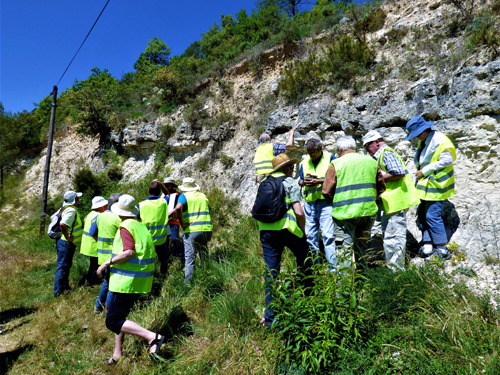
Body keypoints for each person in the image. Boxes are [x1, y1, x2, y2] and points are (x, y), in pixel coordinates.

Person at [97, 194, 164, 364]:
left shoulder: (125, 227)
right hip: (137, 280)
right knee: (120, 317)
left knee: (112, 321)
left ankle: (152, 337)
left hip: (125, 282)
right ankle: (117, 353)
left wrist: (106, 263)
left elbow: (128, 252)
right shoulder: (140, 226)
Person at [252, 153, 312, 328]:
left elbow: (254, 208)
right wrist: (304, 231)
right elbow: (299, 212)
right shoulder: (289, 182)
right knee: (305, 261)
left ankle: (269, 318)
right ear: (285, 168)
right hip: (288, 229)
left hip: (266, 232)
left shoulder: (264, 183)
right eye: (291, 167)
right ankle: (309, 300)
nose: (293, 170)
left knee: (271, 273)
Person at [322, 136, 386, 270]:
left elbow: (326, 192)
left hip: (344, 215)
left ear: (339, 150)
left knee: (344, 252)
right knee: (363, 250)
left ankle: (344, 289)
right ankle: (363, 282)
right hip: (367, 212)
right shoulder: (371, 161)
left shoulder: (336, 164)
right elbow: (381, 187)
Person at [362, 130, 420, 270]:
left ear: (377, 142)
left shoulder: (386, 152)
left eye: (367, 145)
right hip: (388, 201)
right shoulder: (380, 155)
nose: (366, 150)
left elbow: (398, 172)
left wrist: (376, 178)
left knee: (393, 237)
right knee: (384, 235)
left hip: (395, 201)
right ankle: (382, 266)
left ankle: (396, 272)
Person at [406, 116, 456, 260]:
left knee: (432, 215)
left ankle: (441, 247)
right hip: (426, 185)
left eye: (417, 135)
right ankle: (427, 244)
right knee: (422, 214)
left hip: (438, 184)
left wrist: (425, 171)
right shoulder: (427, 141)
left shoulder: (440, 140)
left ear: (423, 131)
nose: (416, 138)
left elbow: (447, 160)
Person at [298, 138, 337, 269]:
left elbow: (336, 178)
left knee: (328, 236)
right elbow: (299, 180)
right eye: (309, 153)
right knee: (310, 237)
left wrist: (318, 182)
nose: (311, 155)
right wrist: (304, 182)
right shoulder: (304, 162)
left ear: (320, 148)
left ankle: (333, 269)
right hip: (309, 204)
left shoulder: (330, 158)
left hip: (325, 203)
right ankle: (315, 268)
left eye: (313, 152)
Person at [90, 193, 122, 313]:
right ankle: (107, 310)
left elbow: (92, 232)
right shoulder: (117, 218)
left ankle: (99, 306)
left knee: (107, 281)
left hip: (102, 256)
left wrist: (100, 243)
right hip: (114, 257)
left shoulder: (100, 216)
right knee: (112, 284)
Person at [178, 177, 212, 282]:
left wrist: (183, 224)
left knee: (190, 259)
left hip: (192, 230)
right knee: (204, 254)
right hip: (207, 229)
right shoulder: (203, 196)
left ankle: (188, 284)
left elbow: (178, 208)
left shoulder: (184, 196)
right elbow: (209, 209)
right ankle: (207, 277)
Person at [54, 191, 83, 296]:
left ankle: (64, 286)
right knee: (62, 266)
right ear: (74, 200)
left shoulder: (64, 208)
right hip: (66, 242)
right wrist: (67, 236)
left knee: (65, 265)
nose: (79, 200)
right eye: (77, 198)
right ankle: (59, 292)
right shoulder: (71, 210)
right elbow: (62, 224)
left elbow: (52, 218)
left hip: (64, 242)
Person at [138, 180, 170, 274]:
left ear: (148, 191)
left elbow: (136, 220)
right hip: (161, 240)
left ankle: (149, 278)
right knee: (164, 261)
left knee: (146, 261)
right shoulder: (163, 202)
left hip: (147, 240)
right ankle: (163, 278)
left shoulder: (141, 205)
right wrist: (160, 183)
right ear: (160, 192)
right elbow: (167, 193)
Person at [80, 196, 108, 287]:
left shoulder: (89, 214)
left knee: (93, 264)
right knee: (95, 265)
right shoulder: (98, 216)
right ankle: (93, 283)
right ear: (100, 206)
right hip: (94, 245)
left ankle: (92, 281)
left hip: (87, 244)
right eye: (105, 205)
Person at [163, 177, 186, 266]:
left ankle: (183, 259)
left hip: (174, 221)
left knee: (174, 238)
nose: (166, 186)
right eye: (165, 185)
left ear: (173, 186)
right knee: (165, 241)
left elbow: (178, 207)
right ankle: (167, 261)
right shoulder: (163, 195)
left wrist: (170, 213)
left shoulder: (179, 195)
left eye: (168, 184)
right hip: (164, 222)